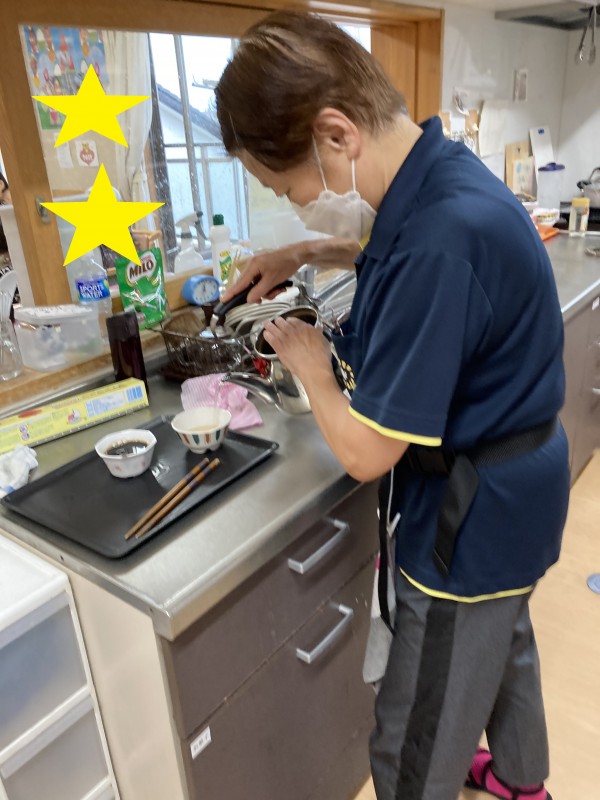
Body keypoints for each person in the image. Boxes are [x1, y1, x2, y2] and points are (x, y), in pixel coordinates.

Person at [215, 12, 569, 800]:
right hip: (521, 491)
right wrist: (308, 250)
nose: (296, 204)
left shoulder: (438, 241)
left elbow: (368, 452)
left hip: (471, 518)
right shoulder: (441, 173)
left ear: (336, 135)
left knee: (416, 726)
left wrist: (313, 366)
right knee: (503, 639)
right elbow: (392, 246)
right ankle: (522, 782)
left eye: (287, 189)